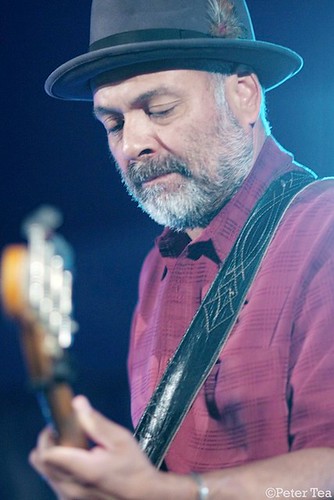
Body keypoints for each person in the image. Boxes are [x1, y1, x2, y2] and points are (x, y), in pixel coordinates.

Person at [30, 0, 334, 498]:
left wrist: (177, 494)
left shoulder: (325, 227)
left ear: (243, 95)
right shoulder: (157, 268)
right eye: (113, 123)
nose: (133, 144)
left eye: (160, 109)